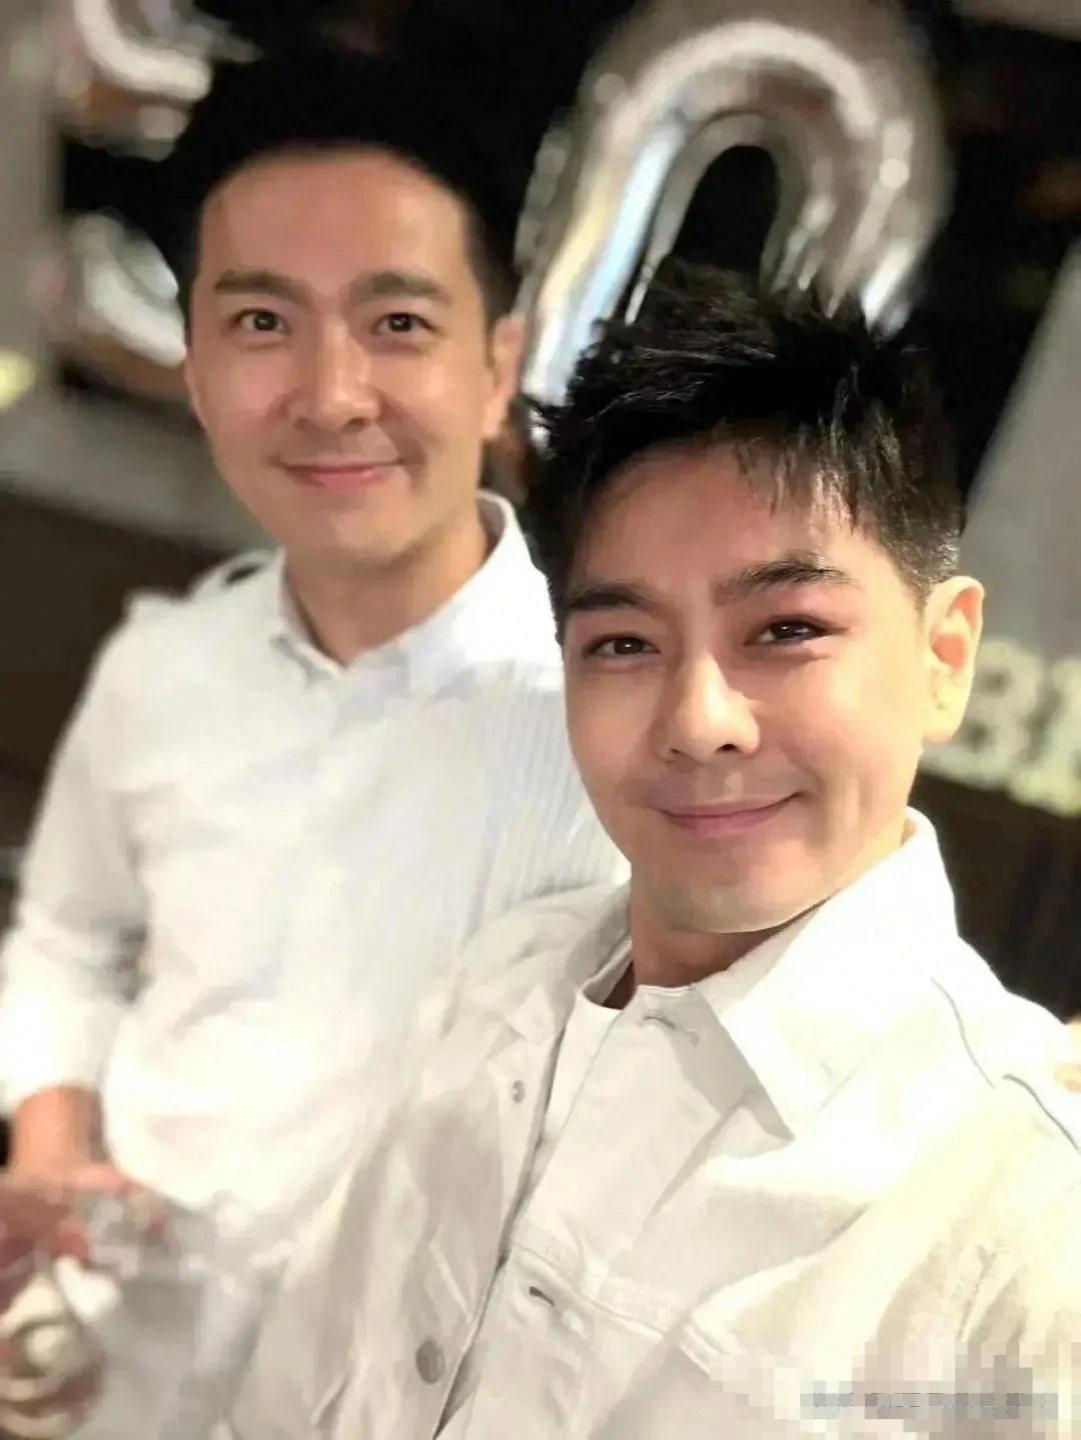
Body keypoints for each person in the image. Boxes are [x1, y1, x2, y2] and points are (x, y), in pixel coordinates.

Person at [223, 265, 1081, 1438]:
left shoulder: (1020, 1221)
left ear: (943, 656)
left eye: (786, 629)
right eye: (623, 644)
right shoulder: (500, 985)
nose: (698, 719)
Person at [0, 45, 622, 1236]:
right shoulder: (159, 672)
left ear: (497, 367)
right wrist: (50, 1156)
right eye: (261, 321)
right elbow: (67, 944)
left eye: (397, 321)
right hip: (109, 1328)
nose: (332, 395)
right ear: (195, 369)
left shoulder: (602, 734)